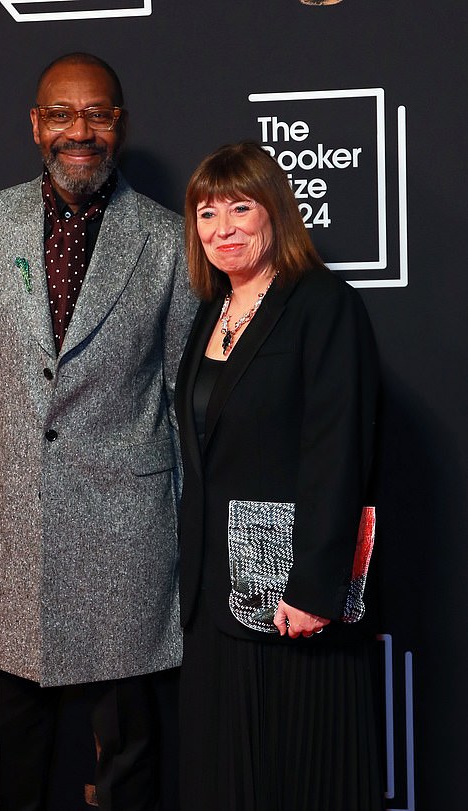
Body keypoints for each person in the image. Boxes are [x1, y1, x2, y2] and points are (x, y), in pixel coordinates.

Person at [0, 52, 194, 811]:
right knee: (20, 756)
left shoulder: (168, 239)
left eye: (98, 113)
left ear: (121, 123)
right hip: (9, 534)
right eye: (62, 114)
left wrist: (187, 542)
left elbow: (181, 395)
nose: (80, 131)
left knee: (131, 757)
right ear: (35, 125)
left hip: (131, 538)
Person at [175, 141, 385, 810]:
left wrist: (314, 586)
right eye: (207, 214)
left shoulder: (323, 304)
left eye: (241, 207)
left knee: (299, 776)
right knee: (225, 780)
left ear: (276, 215)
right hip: (213, 596)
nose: (223, 228)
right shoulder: (212, 311)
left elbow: (339, 450)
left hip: (292, 596)